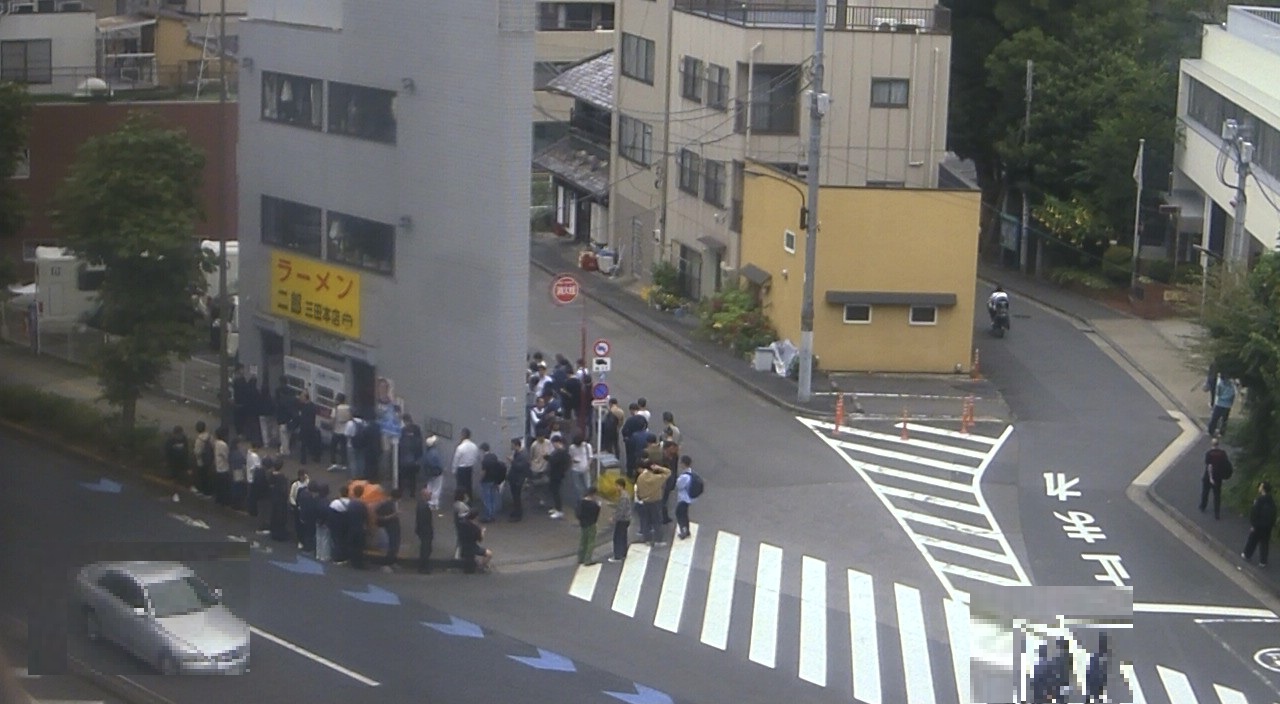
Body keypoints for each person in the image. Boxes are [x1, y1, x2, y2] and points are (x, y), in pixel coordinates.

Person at [635, 462, 671, 545]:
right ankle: (658, 540)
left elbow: (638, 490)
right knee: (657, 521)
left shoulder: (640, 478)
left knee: (645, 521)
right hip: (655, 501)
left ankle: (647, 539)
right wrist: (659, 468)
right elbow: (668, 472)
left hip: (644, 501)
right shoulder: (657, 478)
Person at [1242, 481, 1276, 567]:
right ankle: (1263, 561)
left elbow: (1254, 513)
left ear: (1263, 489)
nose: (1259, 488)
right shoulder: (1271, 500)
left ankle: (1247, 554)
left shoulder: (1259, 500)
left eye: (1261, 486)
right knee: (1264, 543)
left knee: (1252, 540)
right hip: (1267, 526)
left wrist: (1253, 524)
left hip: (1258, 525)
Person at [1200, 437, 1232, 519]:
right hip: (1218, 477)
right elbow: (1226, 464)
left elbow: (1209, 466)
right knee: (1217, 495)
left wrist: (1210, 478)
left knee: (1205, 492)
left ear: (1212, 444)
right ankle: (1217, 513)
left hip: (1209, 477)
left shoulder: (1209, 453)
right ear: (1218, 444)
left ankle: (1203, 506)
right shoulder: (1223, 454)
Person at [457, 509, 493, 573]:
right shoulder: (475, 528)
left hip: (463, 544)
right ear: (476, 517)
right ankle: (482, 567)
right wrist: (482, 532)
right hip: (472, 546)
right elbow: (480, 540)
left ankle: (475, 564)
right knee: (489, 554)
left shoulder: (462, 523)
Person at [478, 442, 507, 523]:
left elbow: (483, 472)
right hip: (494, 480)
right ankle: (493, 515)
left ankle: (488, 516)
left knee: (487, 499)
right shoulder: (494, 456)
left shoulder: (485, 460)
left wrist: (480, 479)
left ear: (482, 450)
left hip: (486, 481)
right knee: (493, 498)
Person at [398, 414, 425, 495]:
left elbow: (400, 445)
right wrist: (419, 457)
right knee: (412, 477)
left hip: (404, 458)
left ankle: (401, 491)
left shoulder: (403, 430)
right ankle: (412, 493)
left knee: (402, 476)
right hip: (413, 458)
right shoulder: (416, 429)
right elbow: (419, 443)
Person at [375, 493, 402, 571]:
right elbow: (379, 517)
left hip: (394, 527)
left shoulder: (392, 503)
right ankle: (386, 563)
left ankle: (392, 562)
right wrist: (393, 515)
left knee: (395, 546)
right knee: (390, 546)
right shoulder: (385, 504)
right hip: (389, 528)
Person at [452, 428, 481, 502]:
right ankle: (469, 500)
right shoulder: (474, 446)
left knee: (460, 487)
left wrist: (454, 470)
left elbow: (456, 460)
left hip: (461, 469)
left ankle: (460, 501)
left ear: (463, 435)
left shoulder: (460, 447)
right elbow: (476, 457)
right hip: (469, 468)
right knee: (468, 486)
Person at [546, 436, 571, 519]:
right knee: (554, 491)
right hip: (556, 474)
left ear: (558, 442)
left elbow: (555, 461)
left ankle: (559, 510)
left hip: (557, 475)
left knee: (556, 492)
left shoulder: (561, 452)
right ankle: (556, 508)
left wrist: (548, 458)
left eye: (553, 443)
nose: (553, 445)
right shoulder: (560, 452)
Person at [507, 437, 531, 521]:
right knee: (515, 497)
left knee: (517, 497)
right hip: (514, 478)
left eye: (512, 445)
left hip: (518, 479)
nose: (511, 446)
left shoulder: (523, 455)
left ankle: (518, 515)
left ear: (516, 445)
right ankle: (515, 511)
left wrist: (512, 461)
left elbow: (520, 467)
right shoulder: (518, 453)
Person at [576, 486, 601, 566]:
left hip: (583, 524)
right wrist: (598, 507)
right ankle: (588, 559)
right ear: (593, 494)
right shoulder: (594, 505)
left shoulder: (581, 502)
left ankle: (580, 558)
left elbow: (577, 513)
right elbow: (596, 515)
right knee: (590, 541)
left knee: (583, 540)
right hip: (591, 524)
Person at [674, 455, 697, 540]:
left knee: (679, 514)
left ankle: (684, 530)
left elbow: (679, 485)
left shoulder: (684, 476)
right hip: (688, 498)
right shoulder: (690, 473)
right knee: (684, 514)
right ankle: (686, 530)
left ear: (683, 464)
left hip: (684, 498)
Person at [267, 459, 291, 542]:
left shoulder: (271, 475)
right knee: (281, 517)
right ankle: (280, 534)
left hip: (274, 498)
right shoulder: (282, 477)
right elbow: (284, 490)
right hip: (281, 500)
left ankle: (274, 532)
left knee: (274, 516)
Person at [347, 485, 370, 569]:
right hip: (360, 528)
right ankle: (359, 563)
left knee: (352, 545)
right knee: (359, 547)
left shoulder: (350, 503)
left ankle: (353, 561)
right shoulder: (362, 505)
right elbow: (366, 517)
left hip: (351, 527)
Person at [610, 477, 632, 563]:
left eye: (616, 486)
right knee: (623, 537)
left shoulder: (623, 497)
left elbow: (621, 510)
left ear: (621, 486)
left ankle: (617, 556)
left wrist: (614, 518)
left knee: (617, 538)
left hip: (622, 520)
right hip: (627, 519)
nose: (615, 487)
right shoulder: (626, 494)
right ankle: (623, 553)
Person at [568, 434, 594, 508]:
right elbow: (570, 456)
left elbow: (590, 457)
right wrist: (573, 460)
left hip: (585, 468)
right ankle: (581, 502)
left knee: (587, 485)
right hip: (575, 468)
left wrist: (588, 465)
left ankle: (589, 501)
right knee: (577, 487)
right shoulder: (572, 447)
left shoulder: (587, 446)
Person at [328, 486, 352, 564]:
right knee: (344, 541)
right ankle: (345, 557)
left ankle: (337, 558)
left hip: (336, 525)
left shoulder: (335, 503)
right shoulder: (351, 503)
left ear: (340, 493)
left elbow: (330, 513)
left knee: (336, 541)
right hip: (347, 525)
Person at [1084, 632, 1109, 703]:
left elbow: (1088, 672)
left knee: (1092, 697)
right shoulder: (1100, 659)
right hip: (1097, 682)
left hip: (1094, 681)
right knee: (1097, 697)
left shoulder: (1094, 658)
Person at [422, 435, 445, 512]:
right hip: (437, 473)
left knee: (430, 487)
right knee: (437, 488)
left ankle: (429, 502)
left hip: (429, 473)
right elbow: (438, 464)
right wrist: (442, 469)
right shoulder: (435, 453)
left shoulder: (427, 453)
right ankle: (434, 504)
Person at [289, 470, 311, 547]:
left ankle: (305, 540)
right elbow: (291, 496)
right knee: (298, 525)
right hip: (298, 507)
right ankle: (300, 540)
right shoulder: (295, 485)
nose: (303, 477)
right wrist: (295, 505)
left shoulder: (307, 482)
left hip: (305, 506)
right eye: (302, 476)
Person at [192, 420, 214, 497]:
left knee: (202, 476)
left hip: (201, 461)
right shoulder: (209, 436)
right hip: (209, 460)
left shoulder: (199, 440)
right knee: (208, 476)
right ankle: (208, 492)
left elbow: (197, 452)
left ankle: (203, 491)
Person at [416, 487, 434, 573]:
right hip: (425, 531)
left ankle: (423, 566)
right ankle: (423, 567)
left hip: (424, 531)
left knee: (426, 549)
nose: (431, 496)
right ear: (424, 495)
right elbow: (423, 521)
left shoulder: (422, 505)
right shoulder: (423, 507)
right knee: (425, 549)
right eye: (429, 494)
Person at [330, 393, 352, 466]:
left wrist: (332, 428)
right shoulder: (348, 408)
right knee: (343, 448)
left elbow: (333, 420)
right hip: (345, 431)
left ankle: (333, 462)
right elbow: (350, 418)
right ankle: (344, 463)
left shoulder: (335, 409)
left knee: (333, 447)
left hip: (336, 431)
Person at [212, 426, 232, 506]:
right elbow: (226, 456)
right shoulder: (223, 445)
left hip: (218, 466)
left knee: (219, 486)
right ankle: (224, 501)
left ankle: (218, 500)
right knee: (224, 487)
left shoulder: (216, 443)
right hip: (223, 468)